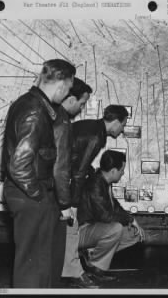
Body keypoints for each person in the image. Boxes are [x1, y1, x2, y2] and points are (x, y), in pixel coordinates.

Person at [2, 59, 75, 288]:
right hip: (31, 196)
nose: (66, 95)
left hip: (29, 194)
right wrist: (39, 196)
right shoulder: (34, 110)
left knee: (40, 265)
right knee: (34, 269)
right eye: (69, 89)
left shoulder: (31, 104)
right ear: (62, 84)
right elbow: (19, 165)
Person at [61, 105, 129, 284]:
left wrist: (90, 173)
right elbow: (79, 170)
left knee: (71, 231)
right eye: (123, 125)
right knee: (71, 229)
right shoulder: (97, 136)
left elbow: (79, 161)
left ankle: (79, 269)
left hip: (61, 177)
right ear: (115, 122)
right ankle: (75, 274)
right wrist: (73, 203)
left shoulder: (90, 126)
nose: (122, 130)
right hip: (64, 182)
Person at [52, 77, 95, 288]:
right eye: (82, 103)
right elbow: (61, 167)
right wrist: (68, 203)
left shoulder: (57, 118)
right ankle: (72, 272)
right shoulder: (61, 122)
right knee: (70, 226)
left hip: (49, 189)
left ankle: (70, 271)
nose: (81, 108)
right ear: (70, 98)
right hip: (53, 189)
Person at [77, 150, 145, 281]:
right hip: (81, 231)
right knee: (115, 229)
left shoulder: (103, 182)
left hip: (93, 228)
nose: (123, 173)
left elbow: (115, 207)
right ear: (113, 171)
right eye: (121, 170)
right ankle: (95, 267)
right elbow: (106, 216)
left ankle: (92, 253)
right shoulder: (95, 184)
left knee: (134, 234)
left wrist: (132, 221)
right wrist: (129, 219)